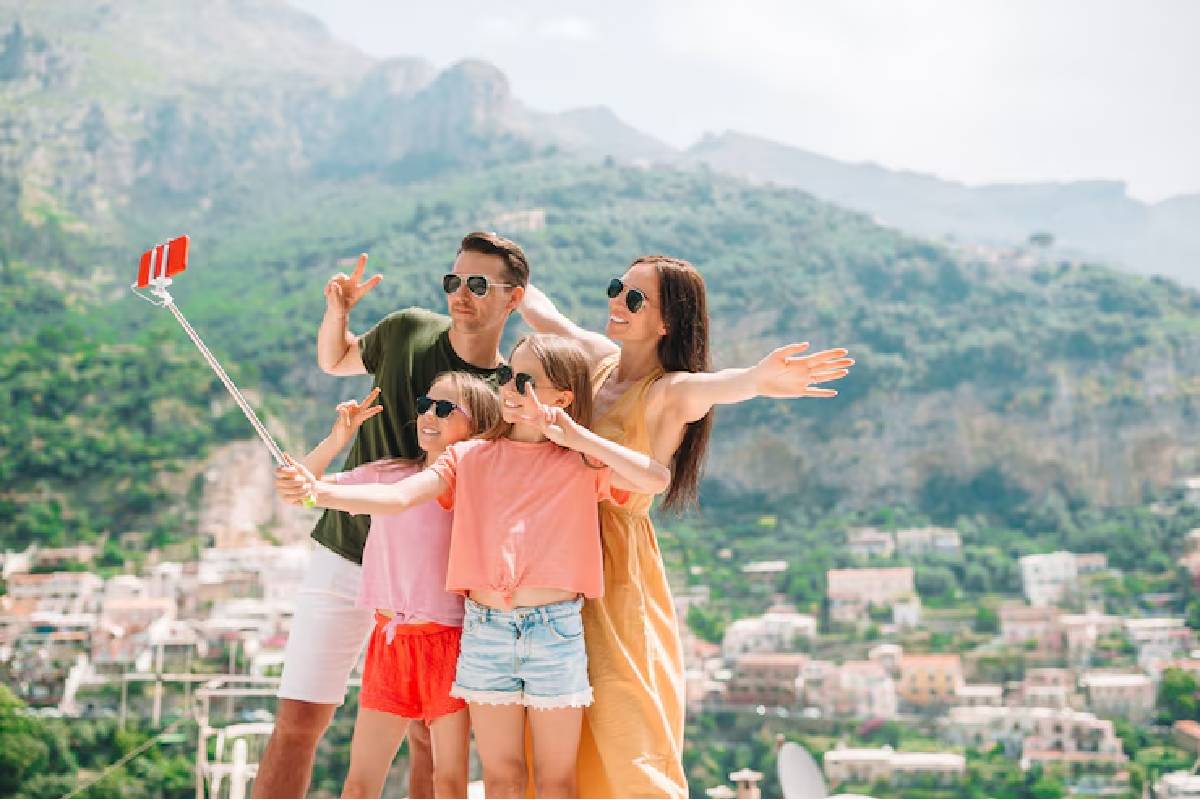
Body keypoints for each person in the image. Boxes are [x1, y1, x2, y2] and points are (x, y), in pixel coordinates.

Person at [276, 333, 672, 799]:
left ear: (562, 398)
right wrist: (317, 492)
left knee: (556, 781)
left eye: (524, 381)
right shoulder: (469, 457)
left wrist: (577, 437)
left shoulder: (582, 463)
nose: (509, 388)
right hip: (486, 631)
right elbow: (399, 496)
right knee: (502, 778)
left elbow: (656, 479)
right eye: (507, 376)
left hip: (555, 631)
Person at [520, 256, 854, 798]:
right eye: (616, 288)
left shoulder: (669, 390)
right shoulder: (599, 363)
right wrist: (505, 278)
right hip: (555, 552)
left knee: (620, 706)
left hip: (613, 563)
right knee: (552, 712)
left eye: (634, 298)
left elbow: (718, 387)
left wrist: (758, 379)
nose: (617, 302)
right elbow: (549, 319)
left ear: (668, 321)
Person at [253, 232, 529, 799]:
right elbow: (335, 359)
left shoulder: (507, 395)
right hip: (344, 551)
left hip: (432, 584)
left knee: (431, 741)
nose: (461, 294)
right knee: (298, 721)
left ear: (514, 298)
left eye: (479, 285)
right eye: (454, 280)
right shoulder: (407, 330)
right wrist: (337, 312)